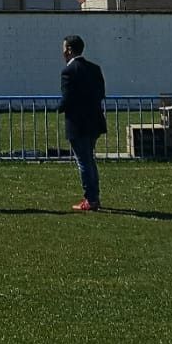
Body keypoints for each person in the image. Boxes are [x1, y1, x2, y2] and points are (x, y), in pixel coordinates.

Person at [60, 34, 107, 212]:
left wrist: (59, 107)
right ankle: (94, 196)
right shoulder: (94, 68)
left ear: (69, 50)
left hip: (77, 123)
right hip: (94, 120)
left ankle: (91, 198)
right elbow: (100, 93)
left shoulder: (69, 71)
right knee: (89, 160)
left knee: (83, 162)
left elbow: (68, 98)